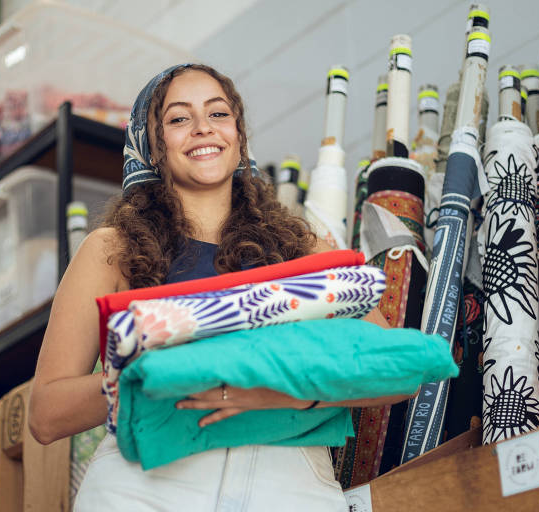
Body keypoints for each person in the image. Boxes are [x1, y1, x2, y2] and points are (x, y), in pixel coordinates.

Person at [29, 63, 414, 511]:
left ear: (239, 137)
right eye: (177, 118)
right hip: (148, 486)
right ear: (151, 146)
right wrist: (147, 371)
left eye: (218, 114)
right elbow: (46, 414)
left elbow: (397, 368)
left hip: (287, 484)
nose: (201, 129)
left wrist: (282, 387)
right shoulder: (110, 249)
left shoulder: (299, 248)